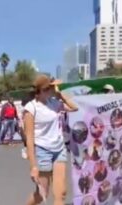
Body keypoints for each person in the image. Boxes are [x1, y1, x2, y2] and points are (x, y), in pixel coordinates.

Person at [24, 75, 78, 205]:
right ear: (43, 90)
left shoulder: (54, 102)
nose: (54, 89)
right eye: (52, 87)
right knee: (42, 194)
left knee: (61, 193)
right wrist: (33, 166)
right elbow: (29, 139)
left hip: (59, 148)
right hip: (42, 150)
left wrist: (60, 95)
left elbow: (74, 108)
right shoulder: (31, 108)